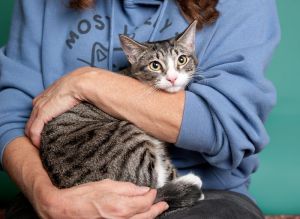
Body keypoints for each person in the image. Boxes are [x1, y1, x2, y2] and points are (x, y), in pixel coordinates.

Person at [0, 0, 280, 218]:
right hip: (62, 186)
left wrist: (87, 82)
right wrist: (46, 198)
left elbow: (229, 128)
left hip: (210, 191)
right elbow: (11, 112)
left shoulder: (245, 5)